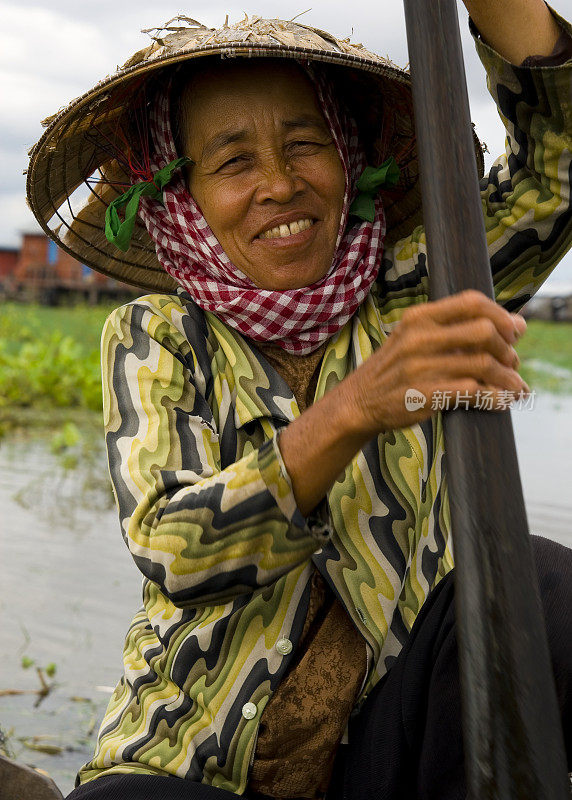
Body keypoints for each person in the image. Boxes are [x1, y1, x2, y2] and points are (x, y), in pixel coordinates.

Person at [26, 2, 572, 799]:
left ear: (350, 161)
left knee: (543, 582)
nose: (279, 185)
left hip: (382, 757)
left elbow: (558, 170)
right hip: (196, 761)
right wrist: (354, 408)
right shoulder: (157, 334)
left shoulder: (416, 292)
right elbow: (174, 545)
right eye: (234, 161)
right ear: (189, 196)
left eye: (305, 145)